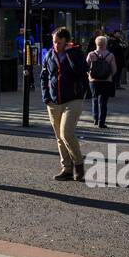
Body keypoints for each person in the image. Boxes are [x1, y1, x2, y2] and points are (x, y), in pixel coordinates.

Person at [41, 28, 88, 182]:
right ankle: (67, 168)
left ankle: (79, 165)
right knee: (59, 137)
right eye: (54, 42)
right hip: (54, 101)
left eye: (59, 42)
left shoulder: (76, 53)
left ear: (66, 41)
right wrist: (46, 97)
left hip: (73, 99)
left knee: (66, 133)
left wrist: (69, 53)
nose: (55, 45)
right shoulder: (49, 54)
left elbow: (80, 71)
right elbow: (44, 76)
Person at [85, 35, 117, 129]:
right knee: (103, 102)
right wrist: (110, 76)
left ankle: (95, 118)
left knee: (94, 99)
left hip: (94, 81)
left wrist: (89, 75)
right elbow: (114, 69)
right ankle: (101, 122)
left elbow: (86, 67)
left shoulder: (91, 54)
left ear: (96, 43)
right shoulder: (110, 55)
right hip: (106, 81)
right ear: (106, 44)